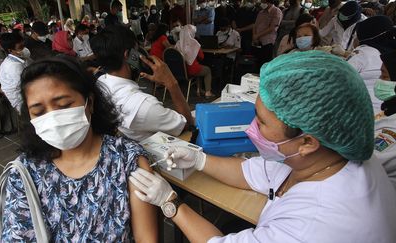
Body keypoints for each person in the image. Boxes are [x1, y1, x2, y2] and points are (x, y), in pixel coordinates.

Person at [129, 51, 396, 242]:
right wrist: (199, 160)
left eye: (261, 121)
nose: (250, 128)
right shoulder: (329, 156)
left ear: (307, 142)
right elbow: (259, 172)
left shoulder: (315, 225)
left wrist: (171, 203)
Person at [0, 56, 157, 242]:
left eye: (64, 105)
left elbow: (146, 238)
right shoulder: (25, 173)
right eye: (39, 112)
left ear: (89, 102)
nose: (54, 118)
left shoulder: (127, 159)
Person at [90, 25, 193, 141]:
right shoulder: (143, 106)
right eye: (137, 50)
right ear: (127, 55)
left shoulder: (100, 82)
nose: (140, 56)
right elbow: (187, 124)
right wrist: (171, 83)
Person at [347, 15, 396, 114]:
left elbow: (339, 76)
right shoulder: (391, 55)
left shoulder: (363, 53)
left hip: (359, 112)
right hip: (385, 110)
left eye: (356, 35)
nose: (355, 38)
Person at [369, 50, 396, 190]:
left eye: (384, 76)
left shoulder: (392, 129)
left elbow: (367, 162)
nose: (379, 80)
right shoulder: (388, 111)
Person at [175, 25, 215, 98]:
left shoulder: (178, 43)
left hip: (181, 70)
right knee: (207, 70)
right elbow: (201, 57)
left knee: (200, 67)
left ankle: (199, 89)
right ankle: (208, 92)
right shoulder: (194, 43)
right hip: (192, 70)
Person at [0, 33, 31, 112]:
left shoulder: (21, 58)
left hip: (24, 90)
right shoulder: (14, 66)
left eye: (24, 46)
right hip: (19, 99)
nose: (24, 49)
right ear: (10, 50)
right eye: (20, 47)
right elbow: (23, 85)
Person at [253, 0, 283, 70]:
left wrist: (257, 35)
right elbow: (255, 25)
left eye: (264, 2)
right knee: (257, 63)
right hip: (257, 41)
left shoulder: (276, 11)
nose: (262, 4)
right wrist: (254, 36)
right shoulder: (261, 12)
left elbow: (272, 28)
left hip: (268, 42)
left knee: (265, 63)